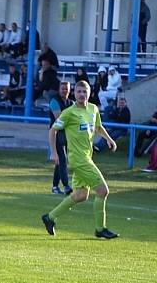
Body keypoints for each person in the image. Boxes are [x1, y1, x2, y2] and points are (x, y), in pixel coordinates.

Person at [41, 80, 119, 240]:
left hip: (87, 156)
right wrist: (54, 152)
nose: (82, 95)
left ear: (89, 93)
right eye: (79, 92)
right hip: (79, 159)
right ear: (74, 94)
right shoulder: (69, 112)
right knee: (103, 191)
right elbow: (52, 131)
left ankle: (50, 217)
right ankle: (100, 228)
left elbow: (98, 127)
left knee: (81, 195)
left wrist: (109, 139)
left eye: (85, 92)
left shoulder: (93, 109)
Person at [49, 81, 73, 195]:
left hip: (67, 133)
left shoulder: (71, 102)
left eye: (66, 89)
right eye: (63, 89)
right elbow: (59, 119)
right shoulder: (54, 101)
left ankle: (54, 187)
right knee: (62, 159)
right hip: (56, 134)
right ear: (59, 89)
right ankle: (66, 186)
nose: (65, 91)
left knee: (60, 161)